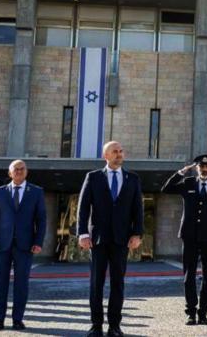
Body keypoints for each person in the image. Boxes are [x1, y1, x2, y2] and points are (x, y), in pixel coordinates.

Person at [77, 141, 145, 337]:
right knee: (96, 284)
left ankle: (114, 326)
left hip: (121, 239)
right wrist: (82, 233)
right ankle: (96, 325)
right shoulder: (93, 177)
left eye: (121, 151)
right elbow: (83, 208)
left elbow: (137, 209)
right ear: (105, 155)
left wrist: (137, 233)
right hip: (97, 239)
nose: (119, 154)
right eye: (115, 151)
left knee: (118, 283)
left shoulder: (132, 178)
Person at [160, 154, 207, 326]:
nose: (204, 169)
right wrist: (182, 172)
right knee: (188, 275)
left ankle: (203, 313)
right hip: (189, 235)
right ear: (197, 168)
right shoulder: (188, 183)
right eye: (201, 167)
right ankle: (191, 312)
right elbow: (166, 189)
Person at [0, 159, 48, 331]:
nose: (19, 171)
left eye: (22, 169)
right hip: (0, 244)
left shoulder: (36, 192)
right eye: (15, 169)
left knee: (21, 284)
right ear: (9, 173)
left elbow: (41, 219)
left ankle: (17, 320)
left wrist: (38, 241)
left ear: (26, 172)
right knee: (0, 284)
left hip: (25, 245)